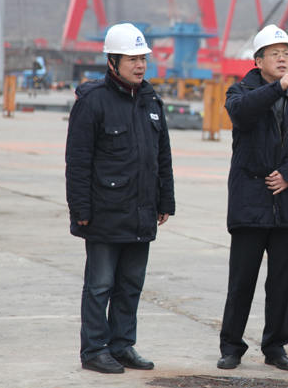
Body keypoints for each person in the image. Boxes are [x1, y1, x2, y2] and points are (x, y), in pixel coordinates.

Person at [65, 23, 175, 374]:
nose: (140, 65)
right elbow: (78, 160)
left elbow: (162, 156)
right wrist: (80, 208)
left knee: (130, 285)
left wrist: (165, 201)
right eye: (132, 59)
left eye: (143, 59)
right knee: (100, 285)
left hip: (141, 210)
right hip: (104, 211)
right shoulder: (93, 101)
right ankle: (94, 350)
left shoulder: (151, 100)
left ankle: (122, 345)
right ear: (112, 62)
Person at [217, 24, 288, 371]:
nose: (282, 59)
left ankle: (275, 346)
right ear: (258, 61)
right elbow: (242, 114)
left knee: (282, 282)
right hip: (251, 203)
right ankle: (231, 346)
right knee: (241, 280)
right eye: (274, 54)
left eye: (287, 53)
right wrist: (277, 89)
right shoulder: (240, 92)